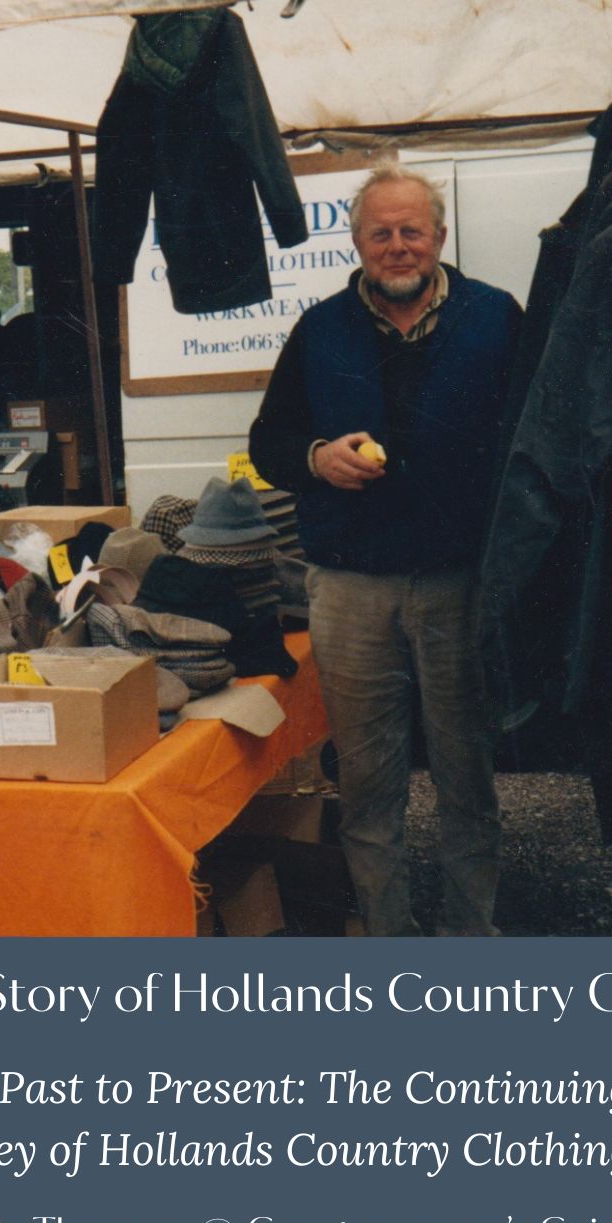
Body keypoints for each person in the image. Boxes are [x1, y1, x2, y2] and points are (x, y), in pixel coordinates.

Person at [248, 165, 521, 935]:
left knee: (469, 774)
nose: (397, 246)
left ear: (438, 236)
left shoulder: (495, 319)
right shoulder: (321, 329)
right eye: (381, 233)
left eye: (411, 231)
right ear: (359, 241)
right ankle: (388, 938)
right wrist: (314, 457)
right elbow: (268, 441)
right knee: (369, 782)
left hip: (458, 582)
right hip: (349, 587)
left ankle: (473, 935)